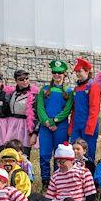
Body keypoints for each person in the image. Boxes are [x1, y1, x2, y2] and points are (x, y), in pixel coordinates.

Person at [37, 59, 74, 189]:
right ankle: (45, 183)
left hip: (61, 126)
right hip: (45, 127)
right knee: (44, 155)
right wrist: (47, 122)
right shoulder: (44, 90)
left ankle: (58, 182)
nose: (57, 75)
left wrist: (54, 121)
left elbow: (67, 110)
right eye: (54, 72)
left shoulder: (69, 92)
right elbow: (40, 108)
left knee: (59, 154)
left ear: (64, 74)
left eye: (60, 73)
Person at [68, 57, 101, 162]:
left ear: (87, 71)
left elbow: (94, 108)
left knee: (88, 153)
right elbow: (74, 110)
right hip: (77, 125)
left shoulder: (93, 86)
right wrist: (71, 127)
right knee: (74, 151)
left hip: (88, 125)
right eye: (76, 72)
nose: (78, 74)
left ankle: (89, 175)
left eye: (80, 71)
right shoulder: (76, 88)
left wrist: (90, 127)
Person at [5, 69, 39, 157]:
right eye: (21, 79)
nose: (25, 81)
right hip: (12, 125)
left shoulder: (34, 95)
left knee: (23, 153)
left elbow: (37, 115)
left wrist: (34, 133)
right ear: (16, 81)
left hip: (25, 126)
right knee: (10, 151)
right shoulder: (12, 93)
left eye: (26, 78)